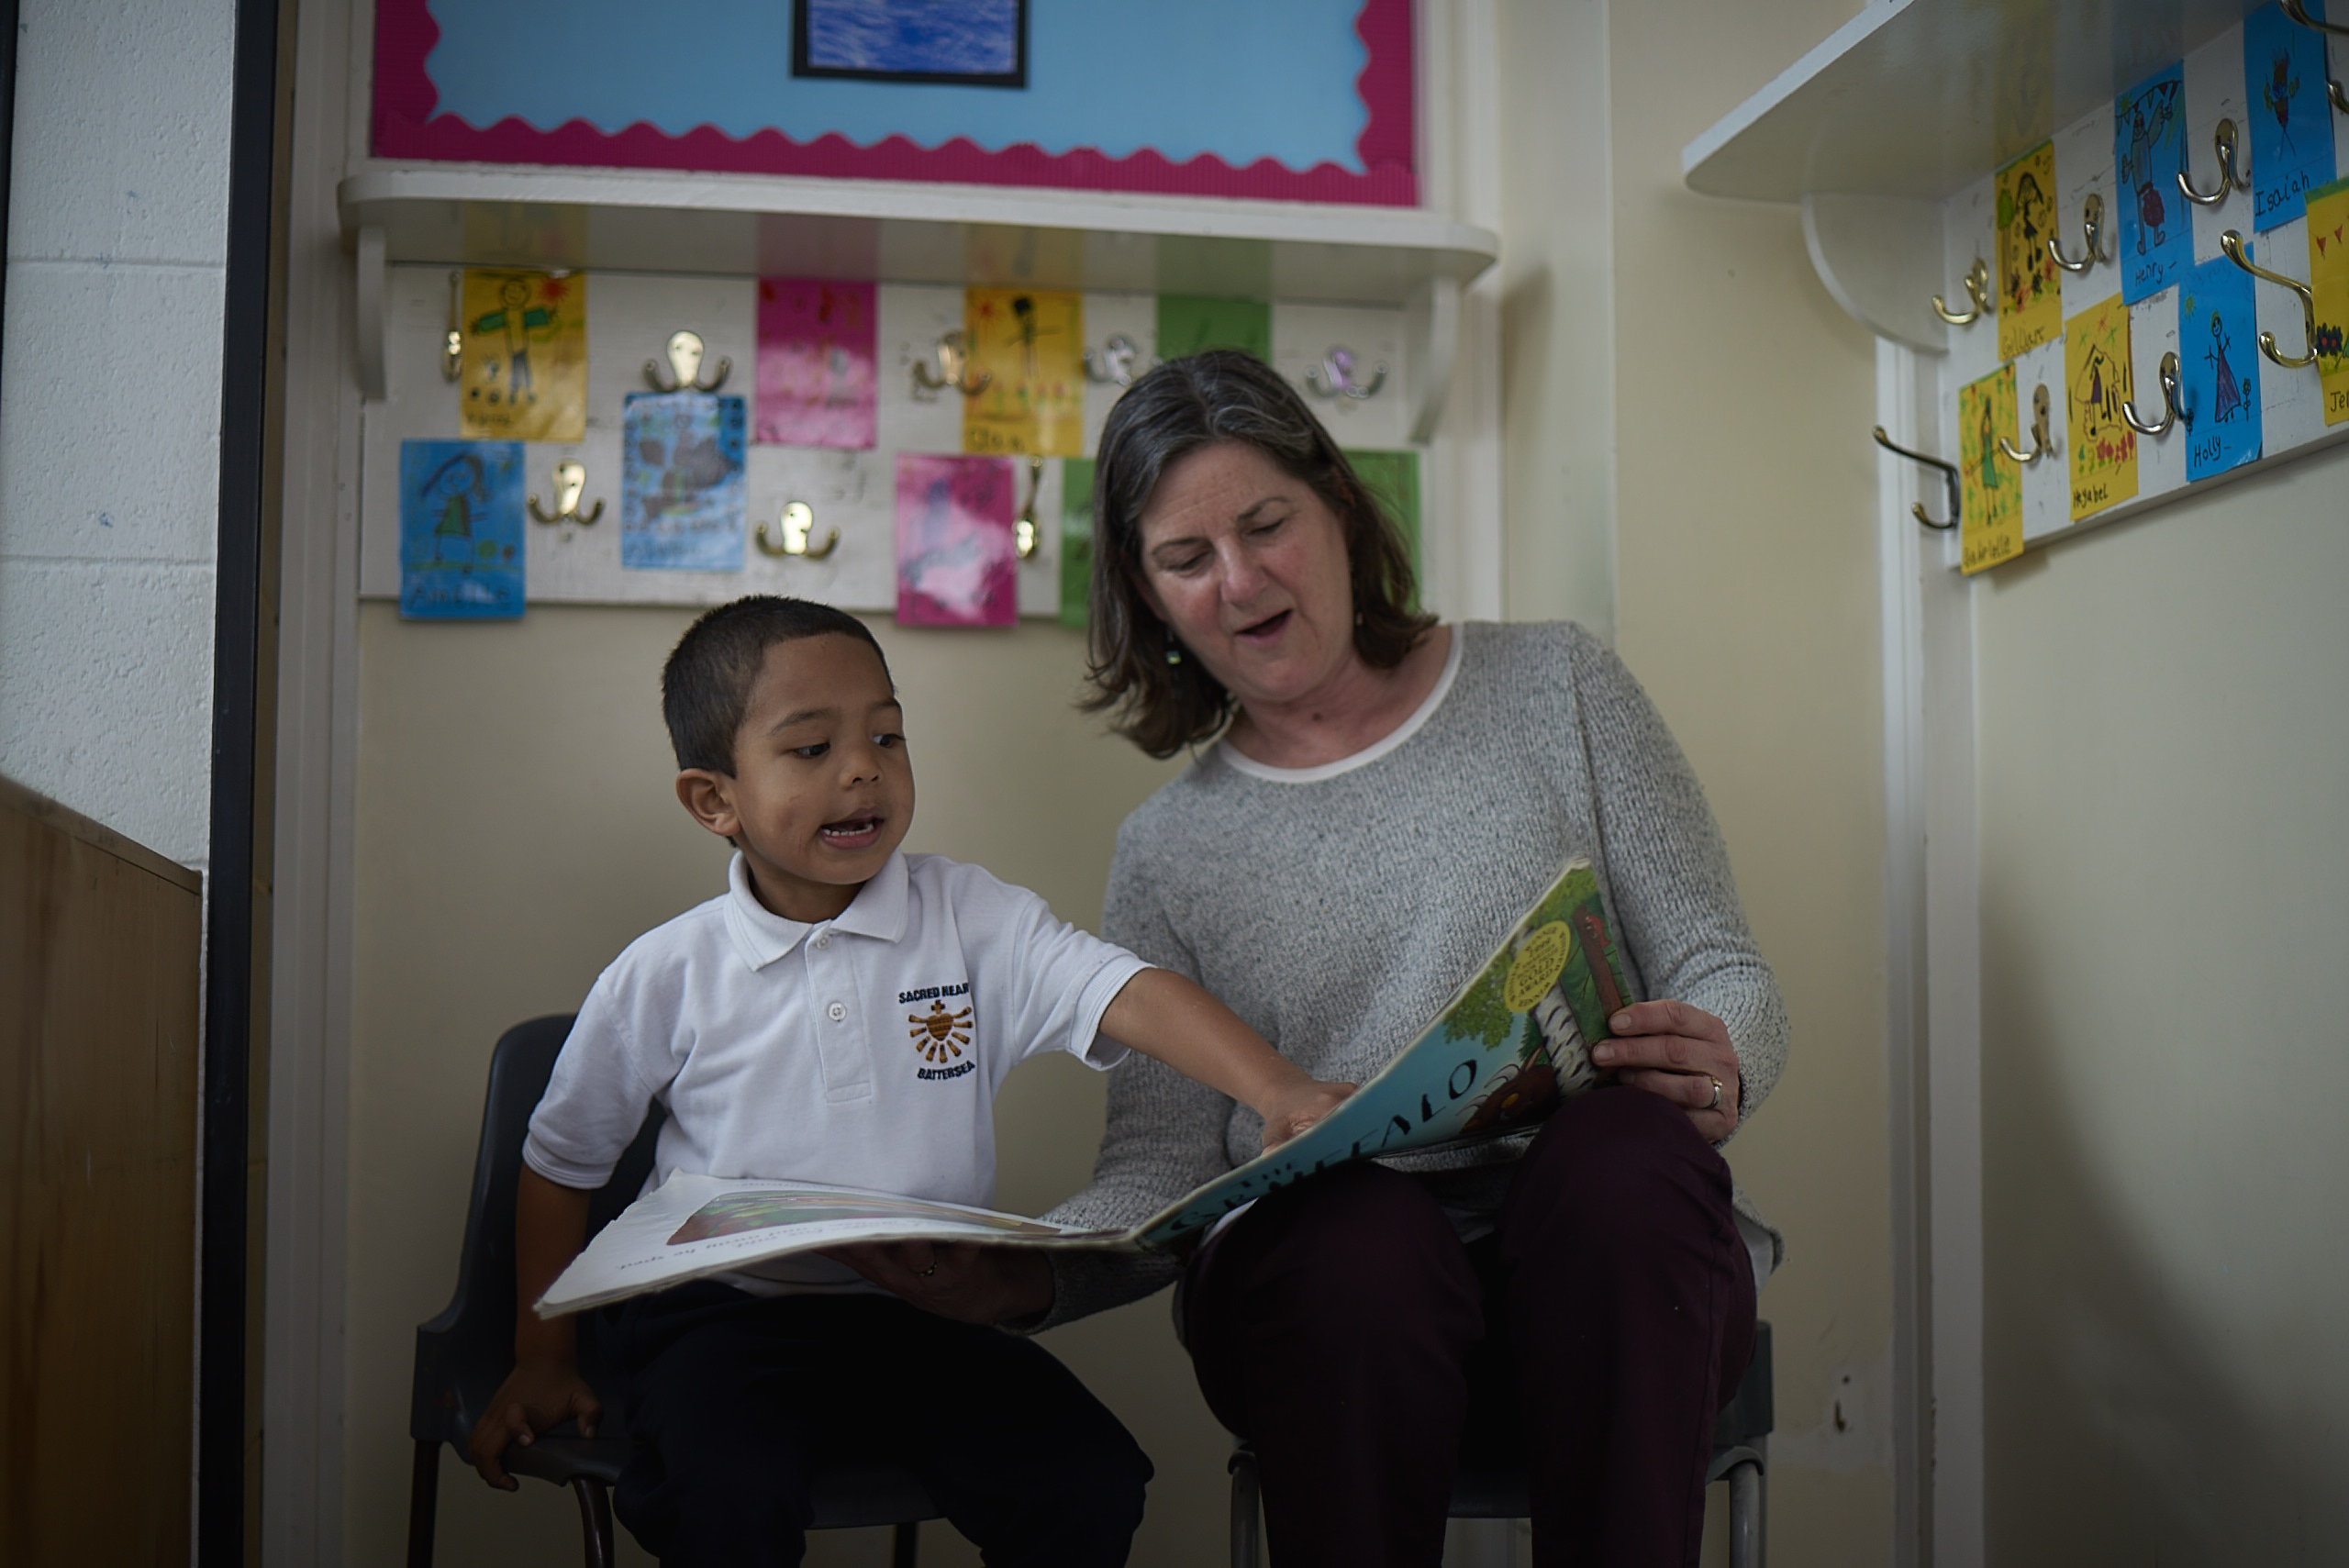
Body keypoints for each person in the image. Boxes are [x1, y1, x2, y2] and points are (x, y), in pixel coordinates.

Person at [863, 350, 1787, 1566]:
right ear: (1148, 598)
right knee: (1353, 1234)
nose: (1240, 580)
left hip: (1611, 1288)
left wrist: (1722, 1065)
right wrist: (1023, 1280)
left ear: (1340, 511)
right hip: (1336, 1327)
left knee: (1622, 1157)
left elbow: (1723, 969)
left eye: (1265, 525)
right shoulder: (1168, 851)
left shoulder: (1557, 682)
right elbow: (1162, 1167)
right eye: (1188, 559)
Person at [463, 595, 1353, 1568]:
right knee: (726, 1497)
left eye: (886, 733)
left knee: (1088, 1476)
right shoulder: (665, 972)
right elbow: (560, 1160)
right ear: (713, 800)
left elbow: (1126, 992)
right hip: (723, 1315)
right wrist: (543, 1356)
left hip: (922, 1312)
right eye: (811, 747)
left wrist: (1279, 1090)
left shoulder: (968, 914)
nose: (863, 766)